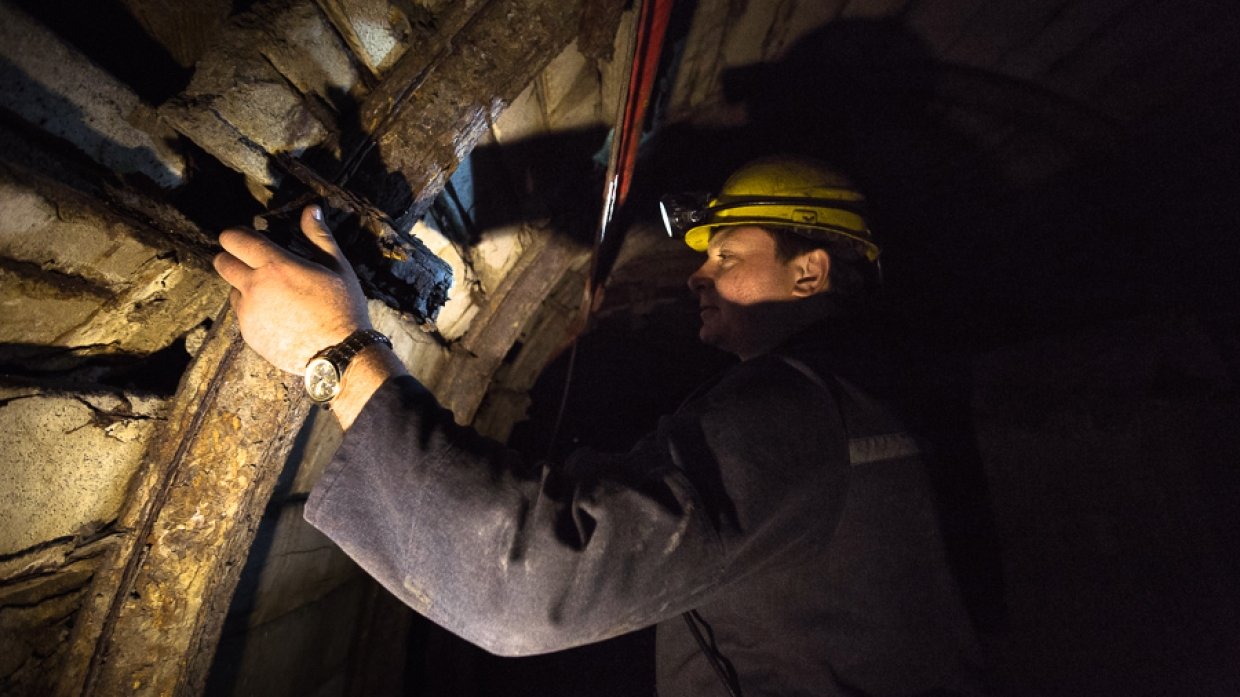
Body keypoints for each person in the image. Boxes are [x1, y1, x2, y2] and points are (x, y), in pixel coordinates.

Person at [213, 156, 982, 696]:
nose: (697, 273)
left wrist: (336, 352)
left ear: (809, 272)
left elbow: (526, 581)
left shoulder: (800, 404)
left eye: (726, 253)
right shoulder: (868, 402)